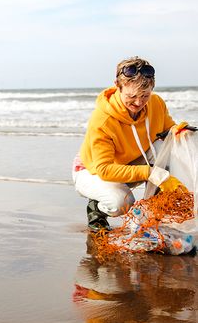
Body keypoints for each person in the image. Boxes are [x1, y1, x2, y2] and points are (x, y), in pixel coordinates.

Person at [73, 57, 187, 232]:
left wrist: (180, 131)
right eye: (131, 96)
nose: (138, 102)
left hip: (130, 163)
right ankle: (96, 208)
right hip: (92, 171)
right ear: (118, 86)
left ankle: (153, 211)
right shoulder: (102, 120)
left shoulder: (156, 103)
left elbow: (168, 131)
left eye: (145, 96)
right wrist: (150, 172)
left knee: (169, 146)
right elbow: (104, 169)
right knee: (122, 203)